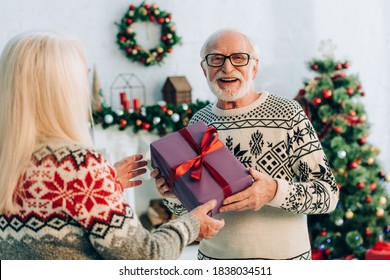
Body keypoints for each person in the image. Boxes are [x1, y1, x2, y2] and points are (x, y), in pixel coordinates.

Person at [0, 31, 224, 260]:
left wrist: (105, 185)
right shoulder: (79, 166)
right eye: (82, 77)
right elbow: (145, 258)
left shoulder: (8, 161)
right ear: (62, 90)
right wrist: (192, 224)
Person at [152, 28, 339, 260]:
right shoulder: (199, 122)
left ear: (254, 66)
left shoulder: (288, 114)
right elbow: (193, 209)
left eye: (238, 58)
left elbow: (327, 195)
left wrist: (274, 191)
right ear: (204, 68)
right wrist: (174, 195)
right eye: (216, 59)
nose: (227, 68)